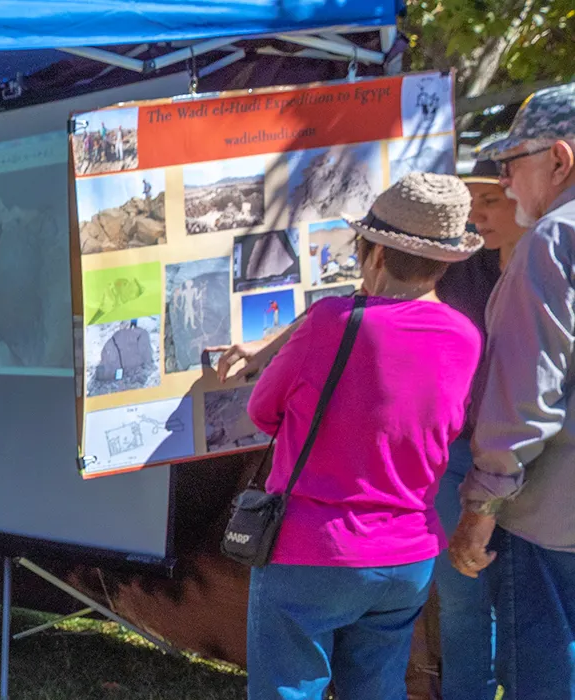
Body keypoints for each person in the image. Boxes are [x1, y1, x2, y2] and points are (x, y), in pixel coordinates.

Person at [244, 173, 484, 700]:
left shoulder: (331, 321)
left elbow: (262, 411)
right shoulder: (465, 337)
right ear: (445, 262)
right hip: (407, 557)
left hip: (312, 548)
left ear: (374, 254)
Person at [448, 82, 575, 699]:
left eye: (510, 164)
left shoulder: (553, 238)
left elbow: (526, 396)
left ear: (560, 159)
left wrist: (480, 511)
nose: (505, 182)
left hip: (551, 526)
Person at [427, 144, 528, 700]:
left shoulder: (551, 265)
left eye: (490, 200)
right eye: (471, 201)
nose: (477, 214)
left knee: (531, 605)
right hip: (460, 456)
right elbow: (366, 301)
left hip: (536, 464)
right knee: (463, 597)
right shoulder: (458, 262)